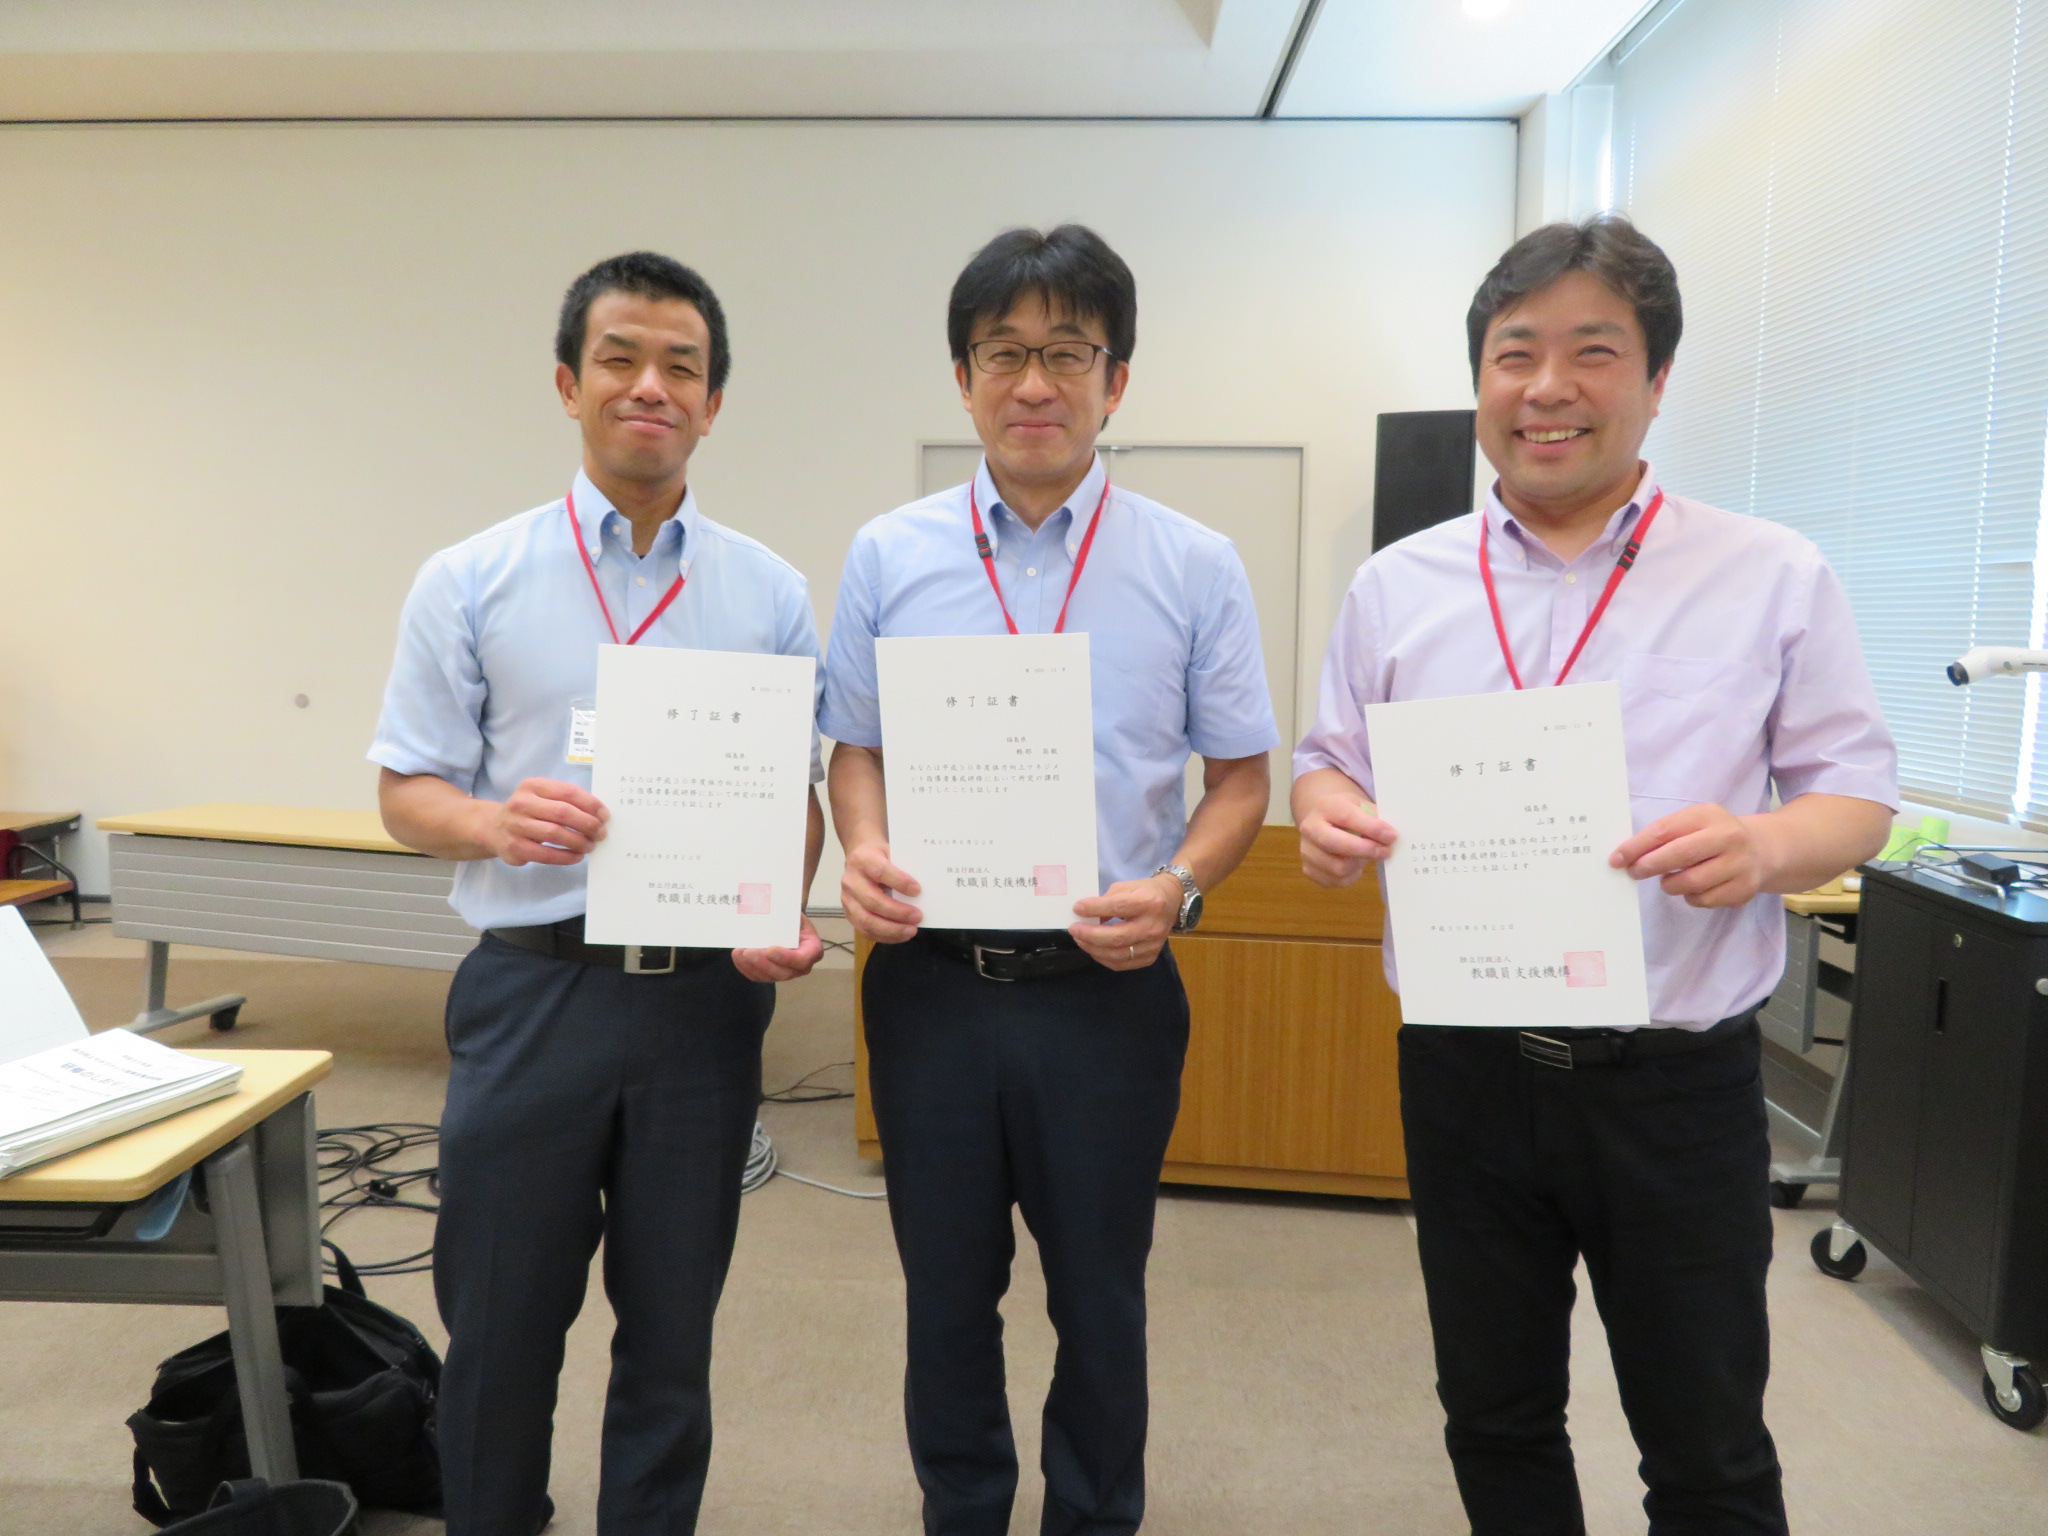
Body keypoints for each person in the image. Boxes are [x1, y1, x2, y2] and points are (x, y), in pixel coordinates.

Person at [1293, 215, 1898, 1535]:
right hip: (1464, 1072)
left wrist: (1763, 848)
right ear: (1479, 380)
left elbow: (1856, 795)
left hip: (1672, 1083)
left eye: (1593, 352)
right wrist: (1328, 815)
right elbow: (1327, 760)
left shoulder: (1767, 573)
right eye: (1514, 355)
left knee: (1707, 1443)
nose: (1547, 388)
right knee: (1494, 1416)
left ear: (1657, 379)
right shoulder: (1398, 586)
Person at [821, 224, 1277, 1536]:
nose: (1034, 383)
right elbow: (855, 749)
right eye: (1003, 353)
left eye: (1067, 354)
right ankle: (961, 1512)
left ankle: (1092, 1517)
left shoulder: (1192, 562)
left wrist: (1177, 888)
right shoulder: (889, 554)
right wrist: (862, 847)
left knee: (1100, 1297)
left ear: (1114, 380)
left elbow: (1241, 778)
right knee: (945, 1299)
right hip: (931, 989)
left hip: (1105, 992)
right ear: (962, 378)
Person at [369, 251, 825, 1536]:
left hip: (700, 1006)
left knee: (672, 1334)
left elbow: (791, 794)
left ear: (712, 404)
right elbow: (404, 792)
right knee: (500, 1324)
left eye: (681, 366)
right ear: (569, 384)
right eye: (619, 358)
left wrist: (775, 907)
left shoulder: (767, 592)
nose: (649, 387)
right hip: (534, 993)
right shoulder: (472, 577)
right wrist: (493, 821)